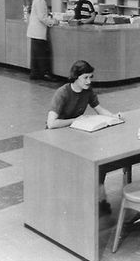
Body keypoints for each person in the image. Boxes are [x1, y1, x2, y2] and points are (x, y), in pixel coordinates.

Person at [47, 59, 122, 214]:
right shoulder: (62, 93)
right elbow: (51, 124)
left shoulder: (88, 91)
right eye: (85, 78)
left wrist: (114, 117)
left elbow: (100, 110)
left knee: (98, 164)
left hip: (76, 134)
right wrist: (75, 120)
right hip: (57, 137)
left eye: (90, 77)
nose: (89, 81)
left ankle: (101, 200)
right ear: (76, 77)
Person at [26, 0, 59, 81]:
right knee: (42, 54)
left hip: (35, 31)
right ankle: (45, 74)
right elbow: (42, 17)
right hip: (39, 31)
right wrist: (53, 22)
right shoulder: (40, 0)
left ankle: (35, 73)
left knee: (36, 54)